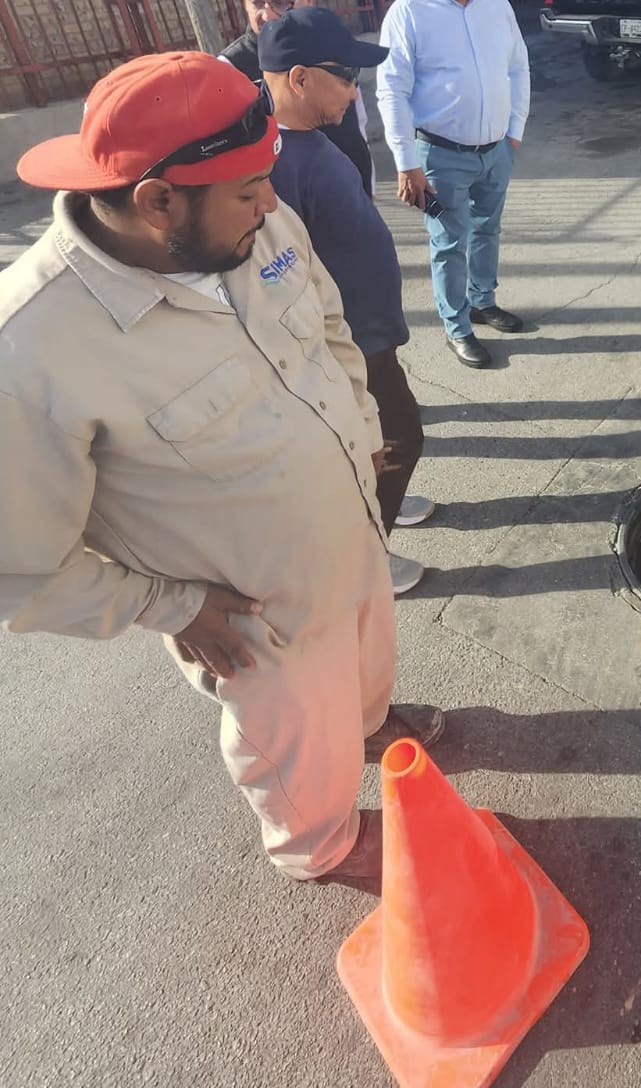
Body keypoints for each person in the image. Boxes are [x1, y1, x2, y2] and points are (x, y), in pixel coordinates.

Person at [0, 52, 444, 895]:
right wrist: (167, 607)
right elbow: (17, 570)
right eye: (249, 190)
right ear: (157, 201)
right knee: (294, 741)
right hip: (253, 621)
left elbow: (327, 324)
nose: (272, 204)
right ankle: (321, 846)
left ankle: (367, 726)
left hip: (350, 535)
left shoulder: (251, 223)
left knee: (363, 663)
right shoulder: (28, 351)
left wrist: (361, 425)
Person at [258, 6, 436, 590]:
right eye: (345, 77)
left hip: (367, 332)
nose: (355, 91)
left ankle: (384, 502)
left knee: (383, 439)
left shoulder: (313, 137)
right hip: (347, 341)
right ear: (300, 78)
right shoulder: (276, 168)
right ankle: (366, 557)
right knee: (399, 435)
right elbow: (281, 278)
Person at [377, 0, 531, 370]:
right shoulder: (408, 13)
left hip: (496, 152)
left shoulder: (496, 6)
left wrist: (514, 133)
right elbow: (392, 90)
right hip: (440, 157)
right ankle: (457, 326)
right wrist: (406, 162)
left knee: (487, 229)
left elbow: (517, 67)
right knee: (448, 242)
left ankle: (483, 301)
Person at [225, 0, 375, 197]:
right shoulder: (228, 75)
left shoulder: (333, 46)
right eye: (256, 2)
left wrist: (367, 194)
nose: (267, 15)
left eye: (281, 2)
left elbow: (357, 128)